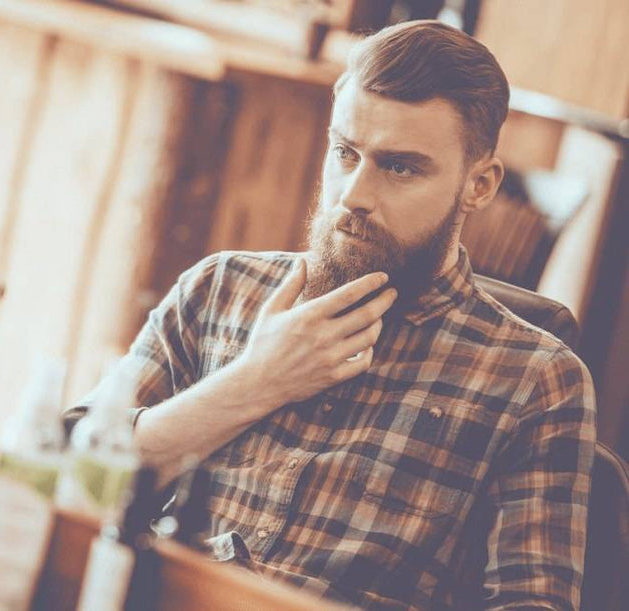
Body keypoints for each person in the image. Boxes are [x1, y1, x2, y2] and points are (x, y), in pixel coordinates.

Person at [68, 20, 596, 610]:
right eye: (345, 153)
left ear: (479, 185)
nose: (353, 196)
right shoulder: (218, 288)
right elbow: (66, 481)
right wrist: (252, 383)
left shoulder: (536, 381)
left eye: (400, 167)